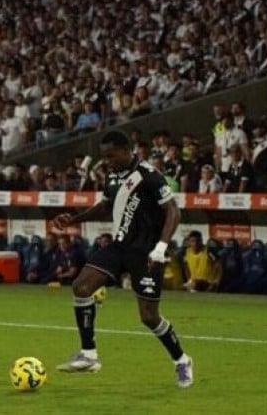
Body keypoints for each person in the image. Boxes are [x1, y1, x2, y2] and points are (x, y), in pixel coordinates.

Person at [52, 130, 194, 388]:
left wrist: (161, 247)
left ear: (126, 150)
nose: (107, 161)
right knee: (81, 287)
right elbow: (105, 206)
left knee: (149, 317)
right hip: (119, 247)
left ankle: (182, 360)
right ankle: (89, 355)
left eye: (111, 155)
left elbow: (173, 211)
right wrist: (74, 219)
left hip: (147, 253)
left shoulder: (149, 175)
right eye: (104, 156)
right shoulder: (113, 175)